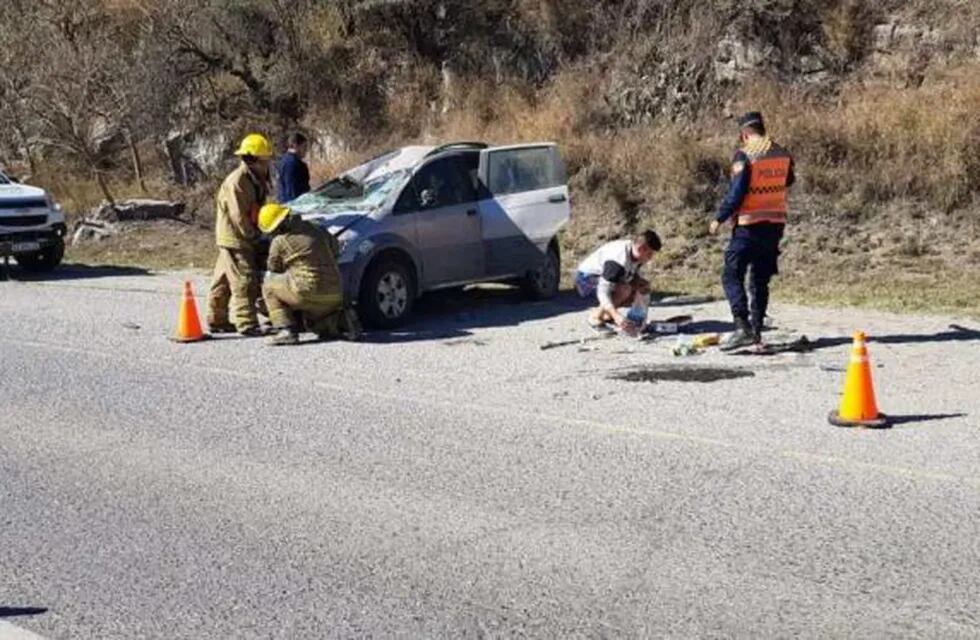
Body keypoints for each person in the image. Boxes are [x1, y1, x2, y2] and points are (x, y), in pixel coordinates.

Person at [710, 111, 795, 351]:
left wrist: (719, 218)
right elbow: (788, 180)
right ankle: (756, 331)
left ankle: (742, 327)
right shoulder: (782, 152)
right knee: (760, 279)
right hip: (775, 223)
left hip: (749, 224)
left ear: (745, 133)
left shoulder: (745, 155)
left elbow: (737, 192)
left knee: (731, 273)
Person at [258, 204, 361, 346]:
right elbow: (336, 250)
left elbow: (273, 269)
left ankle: (285, 330)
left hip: (307, 290)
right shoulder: (317, 228)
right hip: (336, 291)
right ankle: (342, 320)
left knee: (268, 285)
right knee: (315, 326)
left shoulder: (279, 240)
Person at [207, 133, 273, 337]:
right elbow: (238, 216)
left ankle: (217, 320)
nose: (267, 164)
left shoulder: (253, 178)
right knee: (244, 279)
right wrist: (254, 237)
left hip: (233, 236)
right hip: (236, 238)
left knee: (224, 280)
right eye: (265, 160)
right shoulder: (238, 182)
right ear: (255, 159)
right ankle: (247, 323)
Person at [575, 230, 661, 333]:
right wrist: (616, 316)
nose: (650, 258)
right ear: (641, 249)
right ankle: (594, 318)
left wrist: (639, 284)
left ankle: (607, 316)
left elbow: (630, 272)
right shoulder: (617, 261)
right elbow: (603, 292)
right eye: (649, 254)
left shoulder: (635, 252)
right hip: (586, 279)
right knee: (624, 290)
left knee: (640, 288)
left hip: (608, 277)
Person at [276, 131, 311, 203]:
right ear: (295, 145)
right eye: (304, 147)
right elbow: (291, 191)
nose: (306, 150)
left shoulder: (284, 161)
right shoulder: (292, 164)